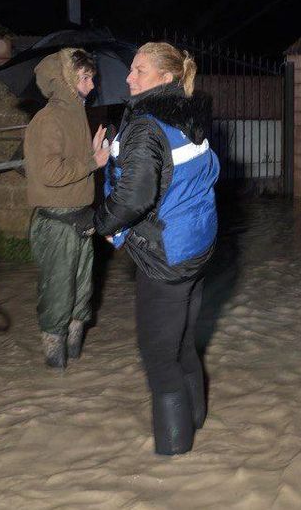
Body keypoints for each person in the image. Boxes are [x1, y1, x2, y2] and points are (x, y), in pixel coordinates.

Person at [94, 41, 219, 456]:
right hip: (196, 247)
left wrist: (98, 222)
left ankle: (173, 461)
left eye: (140, 70)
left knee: (158, 357)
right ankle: (195, 426)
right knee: (183, 344)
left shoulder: (147, 126)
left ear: (165, 78)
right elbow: (199, 172)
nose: (129, 77)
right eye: (131, 68)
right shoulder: (188, 117)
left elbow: (134, 197)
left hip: (166, 255)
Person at [22, 48, 108, 368]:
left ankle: (74, 378)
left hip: (80, 218)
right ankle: (54, 368)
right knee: (58, 296)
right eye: (85, 78)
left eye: (91, 78)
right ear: (67, 82)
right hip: (56, 221)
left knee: (81, 295)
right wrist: (92, 161)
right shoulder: (48, 120)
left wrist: (93, 153)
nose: (91, 85)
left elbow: (76, 165)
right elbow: (50, 173)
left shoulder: (76, 116)